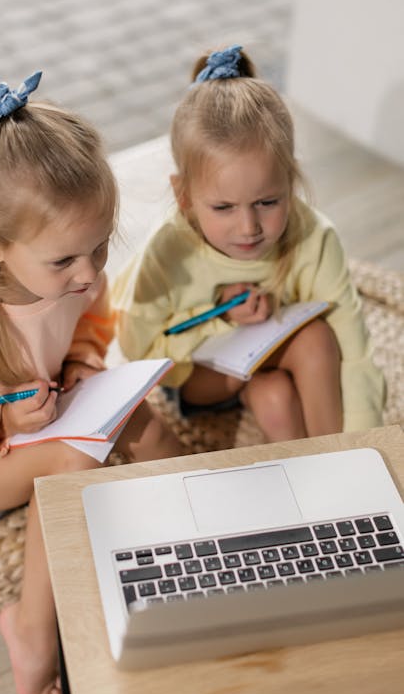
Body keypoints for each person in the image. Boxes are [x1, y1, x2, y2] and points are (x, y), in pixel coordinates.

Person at [0, 69, 185, 694]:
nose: (89, 274)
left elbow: (90, 325)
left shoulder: (78, 277)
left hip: (53, 414)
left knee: (147, 425)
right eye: (65, 261)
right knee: (72, 459)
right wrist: (1, 422)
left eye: (99, 248)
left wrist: (86, 364)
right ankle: (30, 629)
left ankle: (192, 545)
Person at [112, 44, 385, 440]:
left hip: (268, 370)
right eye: (223, 207)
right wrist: (217, 315)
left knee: (274, 394)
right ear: (184, 196)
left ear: (290, 183)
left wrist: (369, 433)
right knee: (315, 340)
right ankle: (347, 458)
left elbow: (356, 353)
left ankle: (323, 478)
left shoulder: (314, 237)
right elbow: (137, 349)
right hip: (197, 378)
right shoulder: (169, 251)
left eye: (267, 202)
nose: (248, 227)